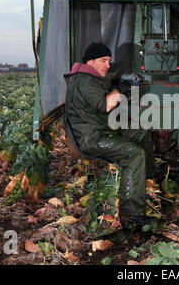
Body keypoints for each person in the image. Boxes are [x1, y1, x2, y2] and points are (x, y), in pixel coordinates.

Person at [64, 42, 155, 227]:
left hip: (100, 130)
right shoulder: (85, 80)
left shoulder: (87, 78)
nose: (107, 65)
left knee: (140, 131)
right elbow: (105, 104)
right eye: (103, 60)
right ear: (90, 61)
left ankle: (146, 177)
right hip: (92, 138)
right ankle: (132, 213)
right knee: (134, 154)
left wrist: (118, 87)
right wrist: (121, 89)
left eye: (109, 61)